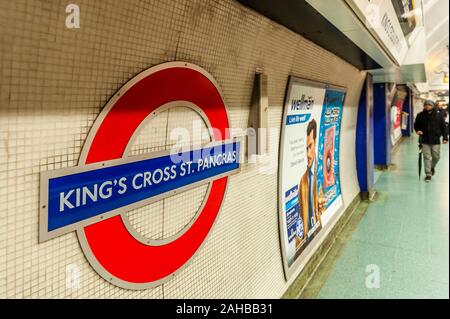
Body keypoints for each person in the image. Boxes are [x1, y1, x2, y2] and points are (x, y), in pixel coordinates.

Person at [295, 119, 325, 249]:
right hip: (308, 239)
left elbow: (325, 205)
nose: (308, 154)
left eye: (310, 146)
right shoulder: (302, 181)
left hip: (321, 232)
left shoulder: (323, 170)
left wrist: (322, 208)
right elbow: (300, 219)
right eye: (306, 148)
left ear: (316, 143)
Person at [414, 100, 449, 182]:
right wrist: (418, 130)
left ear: (433, 106)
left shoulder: (439, 115)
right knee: (426, 157)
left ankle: (432, 167)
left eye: (429, 105)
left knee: (436, 157)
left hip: (435, 139)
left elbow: (443, 127)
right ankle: (428, 174)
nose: (427, 106)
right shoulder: (420, 115)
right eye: (426, 105)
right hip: (424, 139)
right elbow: (416, 125)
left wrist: (445, 138)